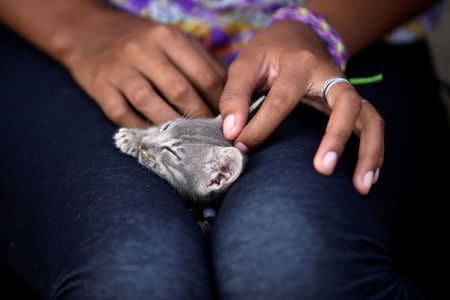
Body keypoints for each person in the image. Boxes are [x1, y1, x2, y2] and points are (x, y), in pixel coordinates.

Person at [0, 0, 447, 299]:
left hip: (347, 34)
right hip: (69, 31)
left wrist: (316, 26)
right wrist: (79, 27)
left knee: (288, 257)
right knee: (137, 274)